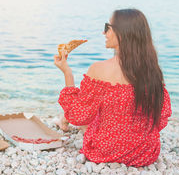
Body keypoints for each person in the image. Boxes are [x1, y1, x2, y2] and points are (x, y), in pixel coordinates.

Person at [53, 9, 171, 167]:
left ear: (122, 32)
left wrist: (67, 72)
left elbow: (78, 115)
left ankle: (62, 121)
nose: (104, 32)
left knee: (89, 114)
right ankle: (62, 121)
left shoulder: (99, 69)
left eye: (108, 27)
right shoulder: (152, 70)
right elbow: (161, 118)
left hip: (105, 151)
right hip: (145, 152)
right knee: (104, 112)